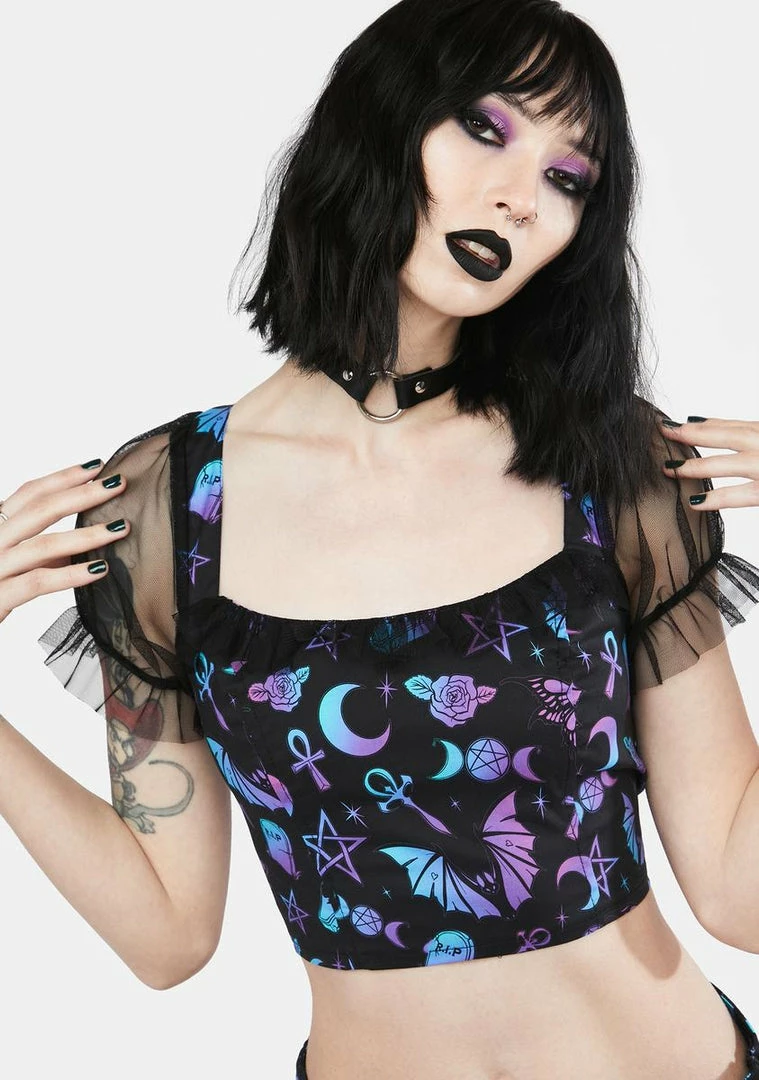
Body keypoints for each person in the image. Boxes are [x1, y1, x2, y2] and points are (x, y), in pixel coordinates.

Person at [2, 0, 759, 1076]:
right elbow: (167, 937)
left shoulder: (609, 465)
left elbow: (738, 888)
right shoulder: (167, 512)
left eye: (567, 178)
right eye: (487, 129)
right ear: (380, 119)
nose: (521, 195)